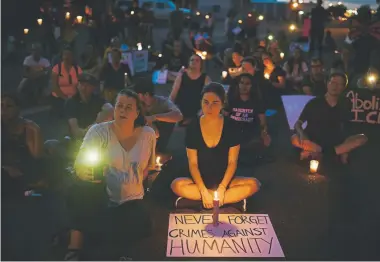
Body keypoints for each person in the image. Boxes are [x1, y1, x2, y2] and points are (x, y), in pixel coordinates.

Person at [65, 89, 155, 260]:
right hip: (101, 197)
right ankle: (74, 245)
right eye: (119, 106)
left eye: (129, 107)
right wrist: (84, 171)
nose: (122, 110)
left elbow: (146, 169)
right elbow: (80, 163)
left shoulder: (148, 134)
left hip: (131, 200)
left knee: (141, 227)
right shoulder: (98, 131)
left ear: (137, 113)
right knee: (79, 191)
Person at [171, 83, 260, 211]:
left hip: (225, 181)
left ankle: (199, 202)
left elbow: (232, 162)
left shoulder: (231, 126)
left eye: (215, 103)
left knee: (254, 184)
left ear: (222, 104)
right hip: (199, 181)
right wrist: (202, 190)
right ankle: (227, 201)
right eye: (206, 102)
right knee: (177, 185)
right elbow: (193, 164)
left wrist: (223, 188)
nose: (209, 107)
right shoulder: (193, 127)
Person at [291, 72, 368, 163]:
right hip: (313, 141)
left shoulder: (346, 104)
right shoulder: (314, 102)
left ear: (343, 88)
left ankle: (318, 153)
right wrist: (302, 134)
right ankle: (332, 154)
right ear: (327, 83)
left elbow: (349, 128)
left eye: (339, 84)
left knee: (362, 138)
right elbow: (298, 123)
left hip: (334, 143)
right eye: (333, 83)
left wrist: (346, 143)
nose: (335, 86)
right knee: (294, 138)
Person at [1, 93, 45, 198]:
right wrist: (5, 168)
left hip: (24, 173)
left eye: (9, 106)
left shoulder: (31, 128)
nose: (3, 110)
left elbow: (38, 157)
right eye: (1, 105)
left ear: (18, 109)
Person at [134, 78, 183, 154]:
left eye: (138, 94)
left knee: (169, 117)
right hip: (144, 140)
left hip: (161, 138)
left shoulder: (163, 102)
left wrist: (154, 117)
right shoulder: (139, 104)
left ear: (146, 94)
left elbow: (179, 116)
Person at [225, 74, 271, 152]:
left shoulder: (257, 102)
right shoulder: (231, 100)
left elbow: (263, 123)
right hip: (233, 133)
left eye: (247, 84)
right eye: (242, 83)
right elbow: (224, 118)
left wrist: (264, 134)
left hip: (251, 134)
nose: (244, 86)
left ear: (252, 86)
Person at [169, 54, 211, 126]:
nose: (194, 62)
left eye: (197, 60)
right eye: (192, 60)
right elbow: (173, 94)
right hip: (180, 110)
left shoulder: (206, 78)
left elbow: (209, 98)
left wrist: (200, 113)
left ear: (201, 65)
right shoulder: (182, 76)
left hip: (197, 111)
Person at [51, 46, 83, 117]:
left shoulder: (77, 69)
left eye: (69, 55)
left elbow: (81, 84)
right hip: (60, 98)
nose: (67, 57)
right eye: (65, 55)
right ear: (62, 57)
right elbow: (55, 87)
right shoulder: (56, 69)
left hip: (74, 98)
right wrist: (66, 98)